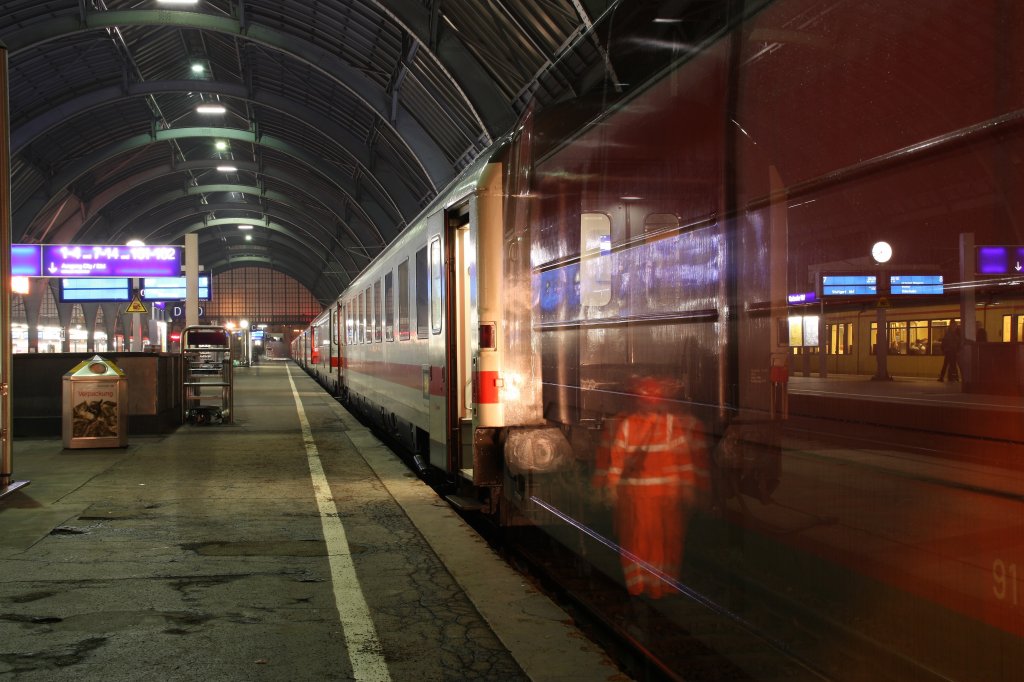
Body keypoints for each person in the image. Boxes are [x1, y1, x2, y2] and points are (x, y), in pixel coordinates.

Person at [594, 376, 708, 599]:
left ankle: (646, 586)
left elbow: (616, 460)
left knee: (646, 540)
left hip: (649, 496)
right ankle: (655, 586)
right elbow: (683, 460)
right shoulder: (665, 425)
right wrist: (688, 487)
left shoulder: (629, 425)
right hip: (655, 496)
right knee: (659, 541)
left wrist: (609, 487)